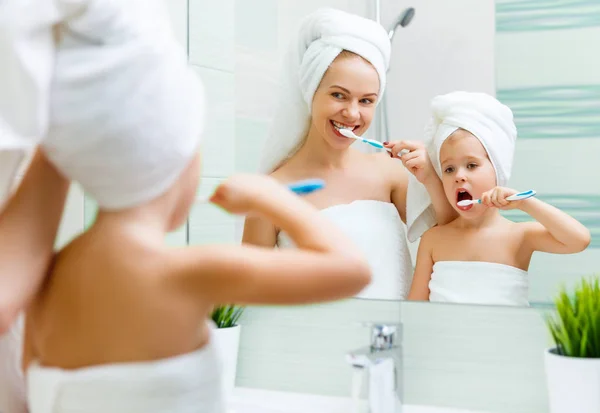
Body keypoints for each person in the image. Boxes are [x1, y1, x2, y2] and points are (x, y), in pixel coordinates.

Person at [243, 8, 456, 300]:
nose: (352, 113)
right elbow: (248, 297)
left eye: (366, 100)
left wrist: (431, 178)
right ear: (311, 91)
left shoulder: (389, 174)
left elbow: (454, 244)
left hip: (394, 342)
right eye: (338, 95)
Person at [407, 91, 591, 306]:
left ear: (498, 169)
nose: (459, 176)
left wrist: (525, 203)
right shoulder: (433, 239)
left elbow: (579, 240)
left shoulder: (519, 235)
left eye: (472, 165)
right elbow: (415, 308)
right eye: (449, 169)